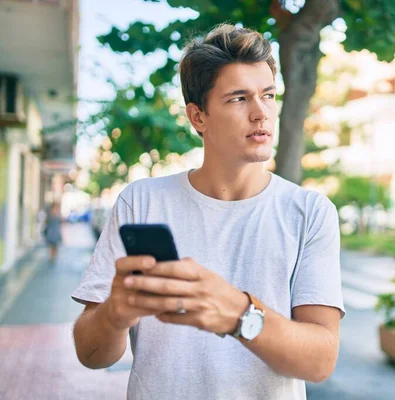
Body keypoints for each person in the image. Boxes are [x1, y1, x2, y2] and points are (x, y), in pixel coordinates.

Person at [71, 24, 344, 400]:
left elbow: (320, 362)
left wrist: (239, 315)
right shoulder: (141, 202)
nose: (261, 112)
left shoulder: (310, 212)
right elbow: (91, 355)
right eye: (238, 98)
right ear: (198, 117)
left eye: (268, 95)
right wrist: (115, 314)